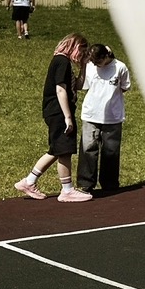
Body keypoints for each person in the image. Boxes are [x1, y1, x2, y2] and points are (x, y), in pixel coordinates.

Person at [14, 33, 91, 202]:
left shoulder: (63, 62)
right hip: (58, 112)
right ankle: (67, 190)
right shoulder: (61, 61)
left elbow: (77, 85)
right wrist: (68, 117)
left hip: (57, 112)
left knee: (56, 149)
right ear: (75, 47)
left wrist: (84, 66)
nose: (82, 56)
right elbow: (60, 89)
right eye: (82, 52)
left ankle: (29, 181)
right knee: (64, 150)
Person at [77, 43, 132, 194]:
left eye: (98, 62)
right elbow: (84, 85)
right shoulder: (90, 66)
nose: (96, 65)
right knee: (88, 148)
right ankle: (85, 183)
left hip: (112, 117)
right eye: (94, 63)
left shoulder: (120, 67)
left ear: (106, 56)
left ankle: (110, 184)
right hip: (91, 114)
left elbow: (125, 87)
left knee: (111, 151)